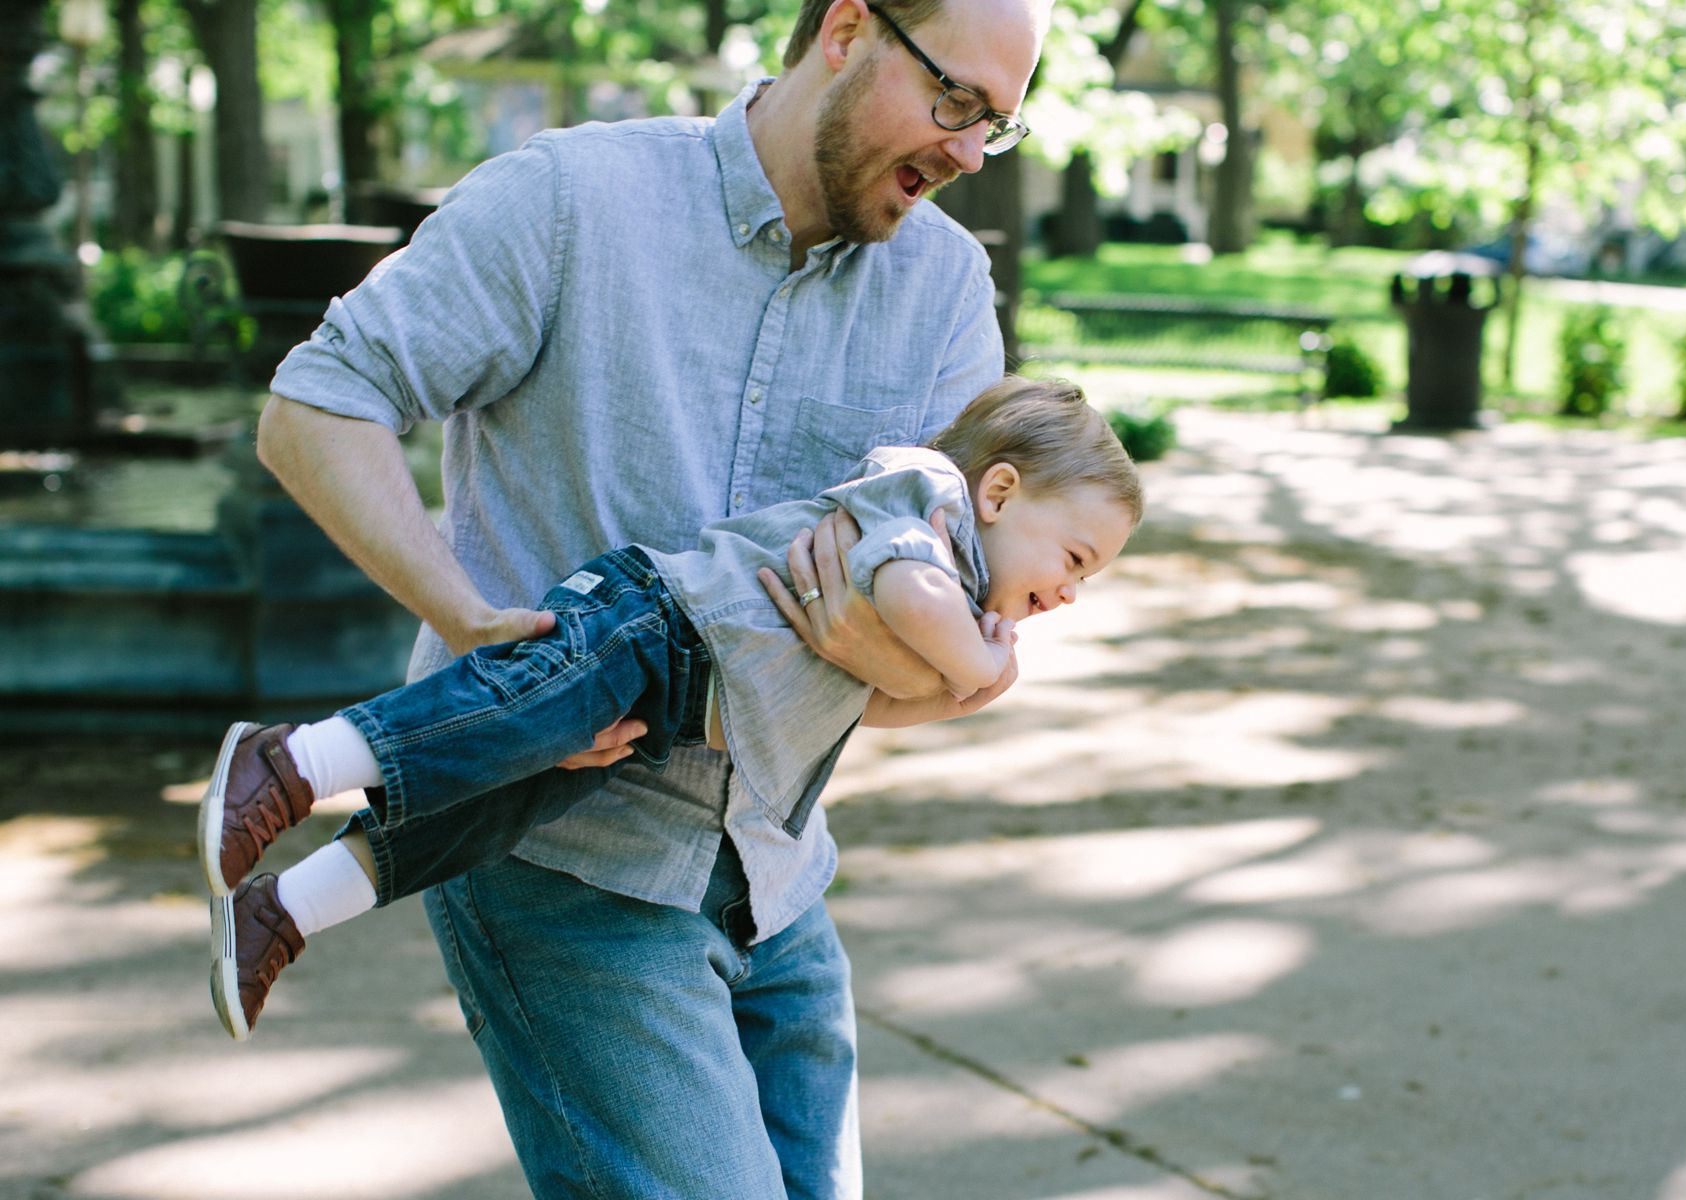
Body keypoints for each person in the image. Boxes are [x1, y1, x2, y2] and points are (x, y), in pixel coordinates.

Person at [251, 0, 1049, 1192]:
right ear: (845, 31)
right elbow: (316, 405)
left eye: (1001, 124)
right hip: (559, 860)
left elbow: (967, 614)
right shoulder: (575, 199)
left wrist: (941, 672)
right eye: (954, 103)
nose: (971, 153)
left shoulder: (943, 288)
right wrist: (471, 624)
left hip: (776, 874)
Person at [205, 377, 1140, 1042]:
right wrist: (983, 669)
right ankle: (289, 765)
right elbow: (898, 592)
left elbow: (860, 702)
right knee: (502, 718)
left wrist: (948, 694)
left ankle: (282, 912)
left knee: (487, 813)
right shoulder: (927, 502)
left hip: (676, 711)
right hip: (657, 627)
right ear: (1002, 490)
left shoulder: (962, 583)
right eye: (1074, 560)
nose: (1069, 594)